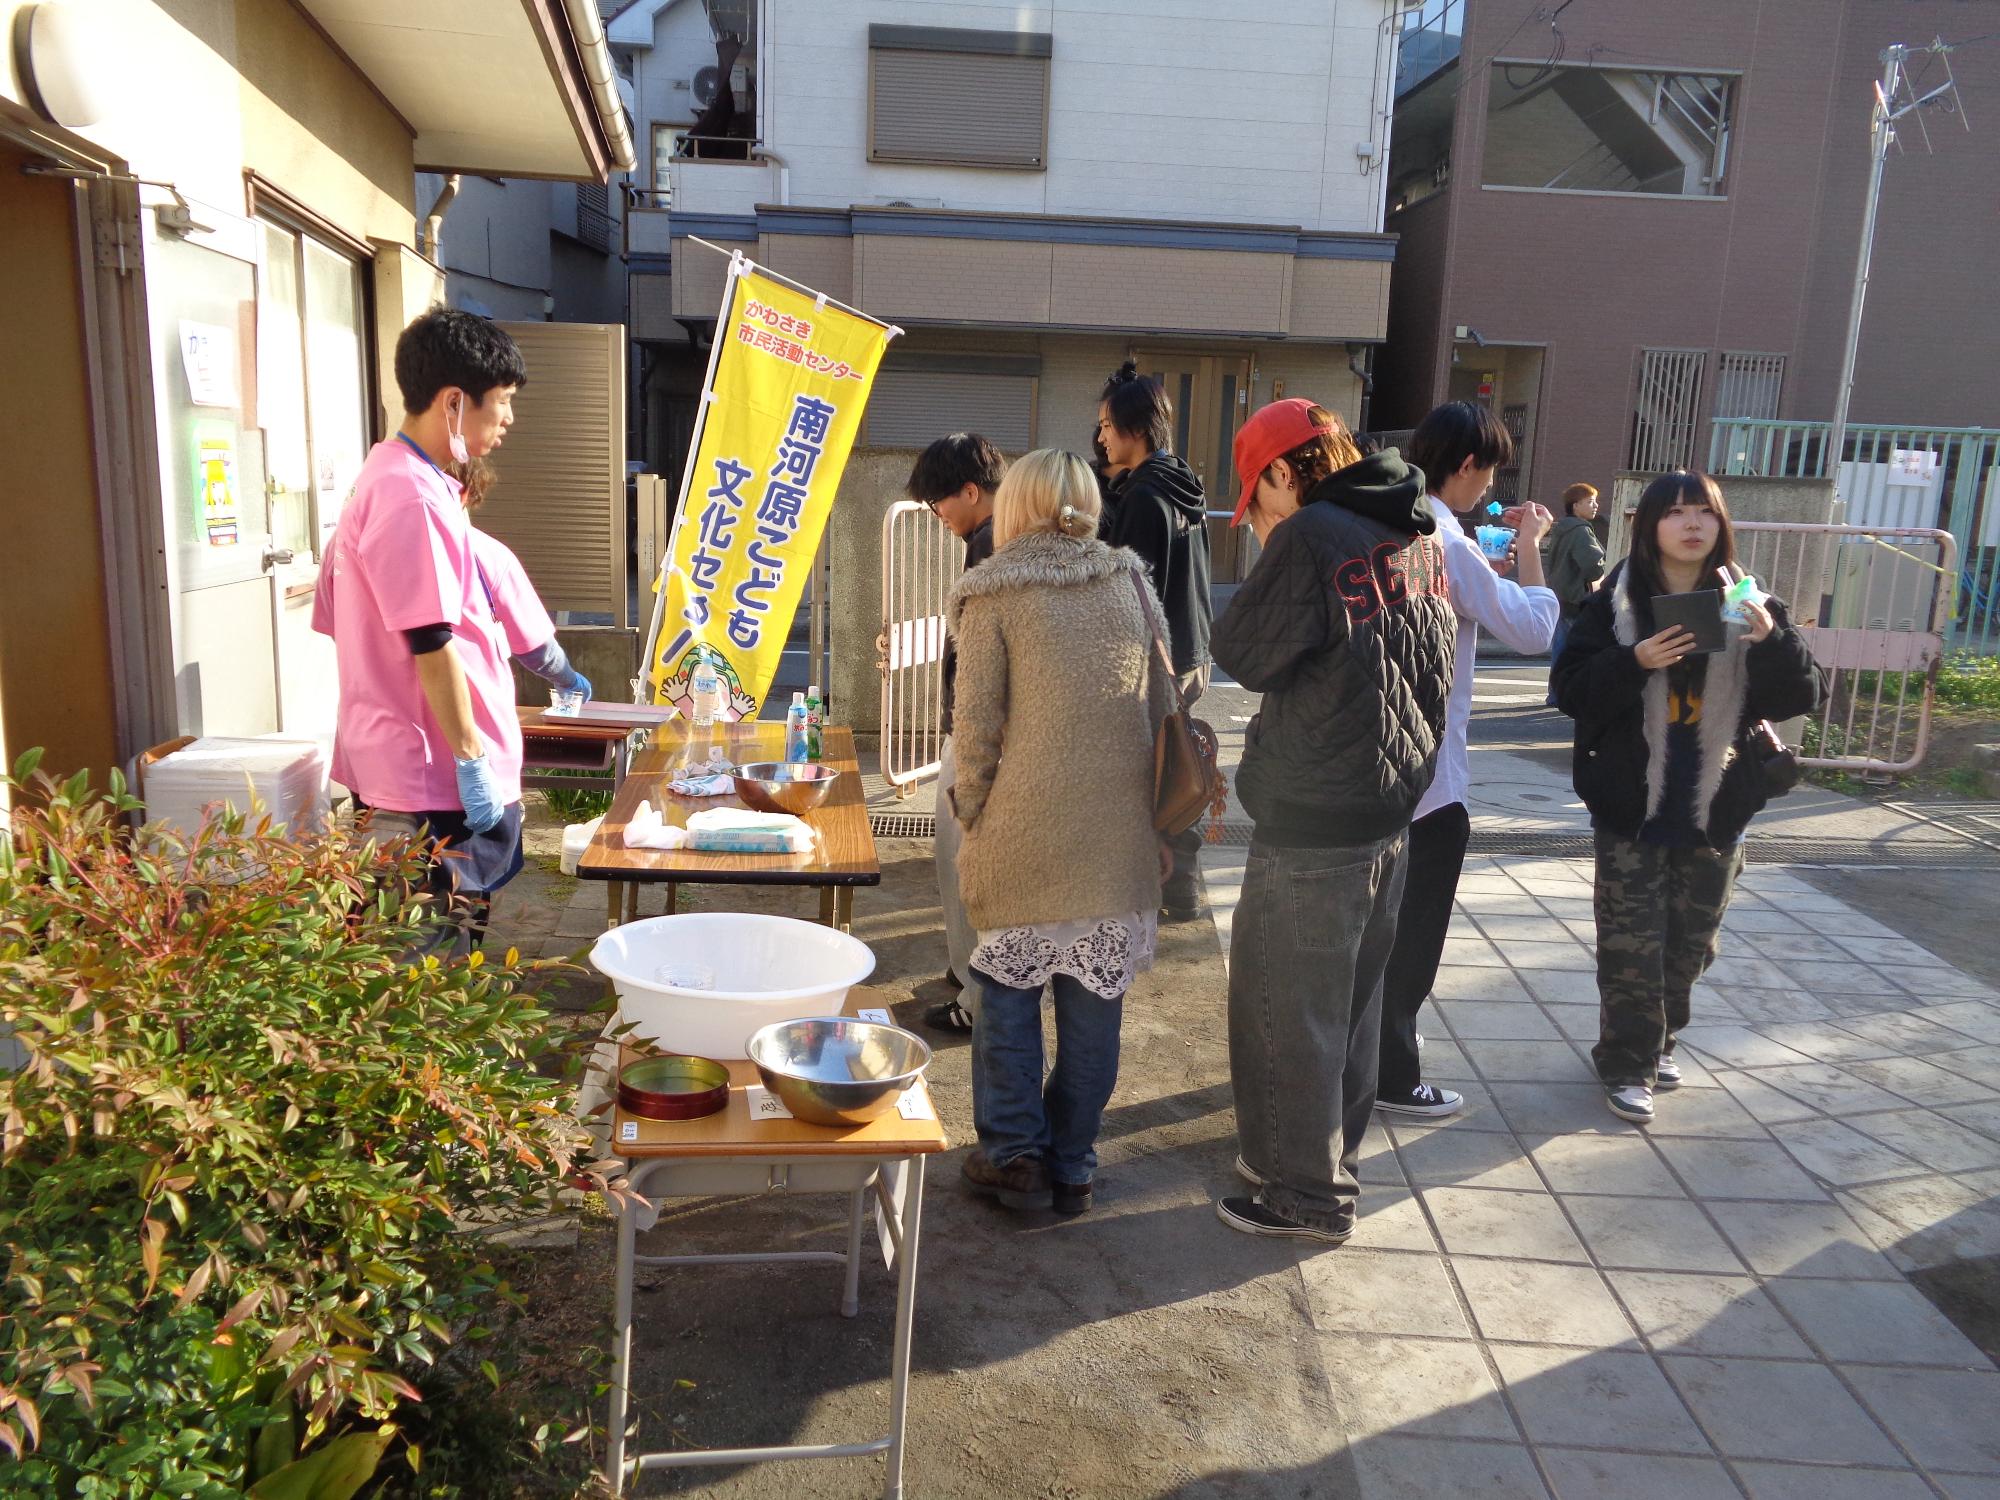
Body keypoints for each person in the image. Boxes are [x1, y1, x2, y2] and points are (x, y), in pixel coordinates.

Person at [1209, 399, 1456, 1241]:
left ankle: (1305, 1196)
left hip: (1316, 811)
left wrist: (1279, 552)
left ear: (1285, 470)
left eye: (1259, 498)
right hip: (1391, 809)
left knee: (1288, 1006)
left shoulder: (1314, 535)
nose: (1260, 519)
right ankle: (1315, 1158)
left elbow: (1241, 651)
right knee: (1347, 1007)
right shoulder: (1415, 532)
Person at [1553, 470, 1821, 1124]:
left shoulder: (1744, 597)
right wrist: (1635, 658)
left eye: (1703, 511)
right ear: (1649, 526)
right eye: (1675, 513)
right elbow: (1571, 690)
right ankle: (1627, 1060)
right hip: (1632, 809)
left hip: (1716, 807)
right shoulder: (1615, 599)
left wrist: (1770, 640)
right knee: (1631, 946)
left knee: (1690, 945)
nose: (1692, 523)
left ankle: (1661, 1039)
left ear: (1720, 523)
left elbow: (1799, 696)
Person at [948, 448, 1174, 1216]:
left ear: (1014, 506)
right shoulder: (1131, 581)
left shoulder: (991, 591)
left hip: (1023, 830)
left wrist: (969, 809)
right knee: (1093, 1010)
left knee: (1007, 1000)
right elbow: (1160, 709)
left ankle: (1014, 1155)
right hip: (1120, 834)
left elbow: (975, 728)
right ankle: (1074, 1162)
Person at [313, 308, 528, 954]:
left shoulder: (393, 479)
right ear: (454, 402)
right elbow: (432, 644)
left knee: (423, 942)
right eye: (503, 404)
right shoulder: (409, 496)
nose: (509, 421)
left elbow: (337, 617)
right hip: (426, 781)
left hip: (405, 767)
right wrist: (470, 761)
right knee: (426, 952)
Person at [1376, 403, 1560, 1120]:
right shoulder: (1447, 544)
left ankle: (1360, 1063)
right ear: (1465, 466)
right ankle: (1395, 1076)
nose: (1489, 486)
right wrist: (1535, 546)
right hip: (1432, 781)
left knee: (1374, 935)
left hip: (1380, 765)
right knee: (1413, 939)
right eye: (1489, 471)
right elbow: (1534, 627)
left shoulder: (1397, 524)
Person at [1096, 361, 1213, 922]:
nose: (1100, 437)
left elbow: (1131, 596)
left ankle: (1163, 883)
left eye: (1105, 426)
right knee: (1181, 760)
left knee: (1154, 768)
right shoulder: (1184, 484)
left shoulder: (1144, 498)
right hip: (1193, 651)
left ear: (1134, 430)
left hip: (1159, 658)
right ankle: (1181, 886)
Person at [905, 433, 1003, 1033]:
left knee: (963, 865)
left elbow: (980, 660)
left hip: (978, 739)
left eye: (940, 502)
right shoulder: (998, 539)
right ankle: (970, 978)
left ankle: (976, 998)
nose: (938, 516)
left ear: (972, 490)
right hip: (986, 735)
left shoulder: (992, 548)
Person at [457, 459, 594, 708]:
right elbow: (537, 650)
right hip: (470, 712)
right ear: (464, 492)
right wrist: (569, 681)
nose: (507, 418)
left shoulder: (374, 542)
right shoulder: (485, 554)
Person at [1542, 482, 1607, 704]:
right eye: (1590, 502)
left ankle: (1556, 693)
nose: (1595, 506)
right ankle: (1571, 693)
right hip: (1578, 597)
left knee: (1561, 647)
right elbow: (1593, 566)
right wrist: (1601, 562)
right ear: (1576, 505)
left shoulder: (1562, 529)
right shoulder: (1580, 531)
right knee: (1581, 648)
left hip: (1560, 594)